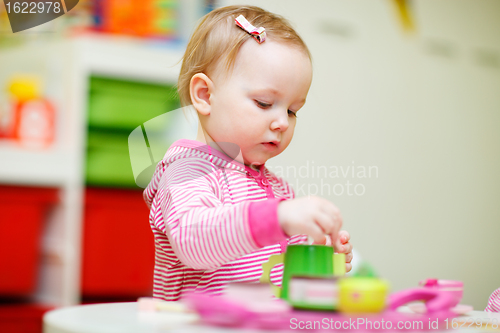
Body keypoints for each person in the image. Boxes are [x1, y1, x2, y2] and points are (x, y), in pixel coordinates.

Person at [143, 5, 353, 301]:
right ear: (205, 95)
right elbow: (193, 243)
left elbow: (281, 277)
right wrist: (279, 218)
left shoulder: (278, 189)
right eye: (264, 103)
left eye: (292, 111)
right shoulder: (187, 173)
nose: (281, 122)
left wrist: (316, 260)